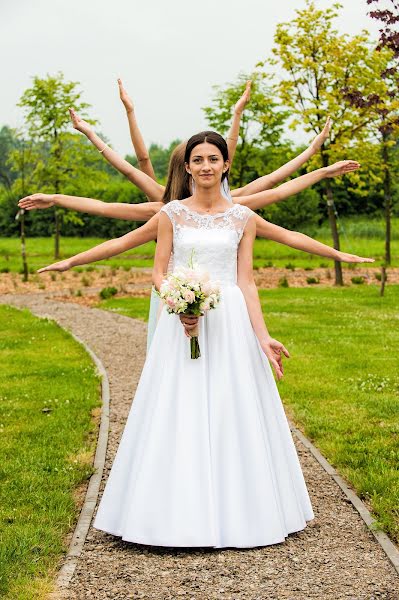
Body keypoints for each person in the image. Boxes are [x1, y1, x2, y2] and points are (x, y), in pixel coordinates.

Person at [92, 130, 367, 548]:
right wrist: (178, 305)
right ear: (187, 167)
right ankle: (165, 514)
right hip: (181, 320)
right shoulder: (170, 214)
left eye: (213, 159)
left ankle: (242, 511)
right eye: (197, 159)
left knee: (230, 407)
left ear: (225, 165)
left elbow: (250, 279)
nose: (205, 166)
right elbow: (157, 271)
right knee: (176, 407)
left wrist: (263, 335)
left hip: (230, 322)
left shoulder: (241, 217)